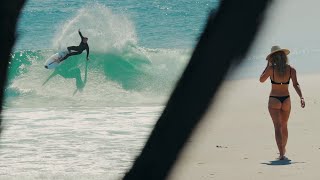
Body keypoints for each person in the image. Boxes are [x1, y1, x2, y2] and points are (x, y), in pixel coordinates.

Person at [259, 45, 305, 160]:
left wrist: (267, 65)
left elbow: (261, 80)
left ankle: (281, 154)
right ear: (284, 57)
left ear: (272, 58)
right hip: (286, 99)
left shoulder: (271, 69)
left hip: (274, 99)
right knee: (284, 126)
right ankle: (283, 149)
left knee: (277, 127)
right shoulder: (291, 69)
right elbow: (295, 84)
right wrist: (301, 97)